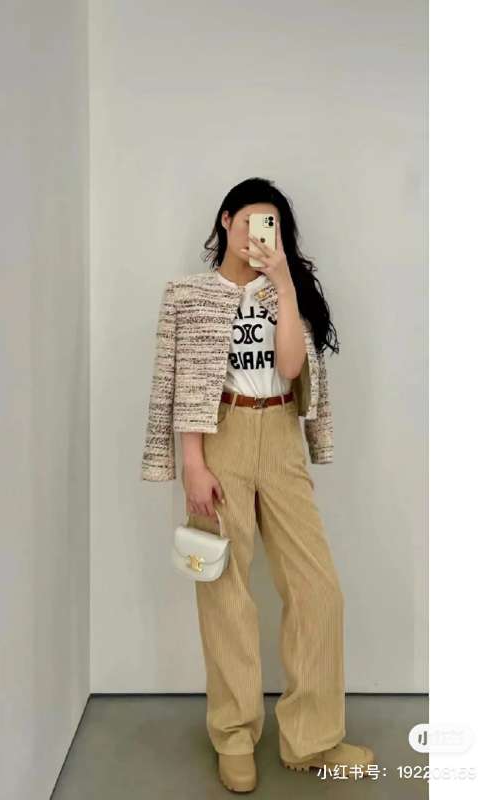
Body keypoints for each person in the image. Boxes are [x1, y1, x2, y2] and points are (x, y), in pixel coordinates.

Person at [141, 177, 375, 792]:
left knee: (318, 590)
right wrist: (192, 463)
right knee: (224, 591)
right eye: (249, 220)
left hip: (280, 435)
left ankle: (313, 738)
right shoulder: (188, 295)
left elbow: (292, 367)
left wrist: (286, 286)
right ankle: (235, 735)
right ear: (226, 221)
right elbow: (178, 381)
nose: (258, 234)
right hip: (220, 436)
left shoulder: (283, 292)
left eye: (270, 224)